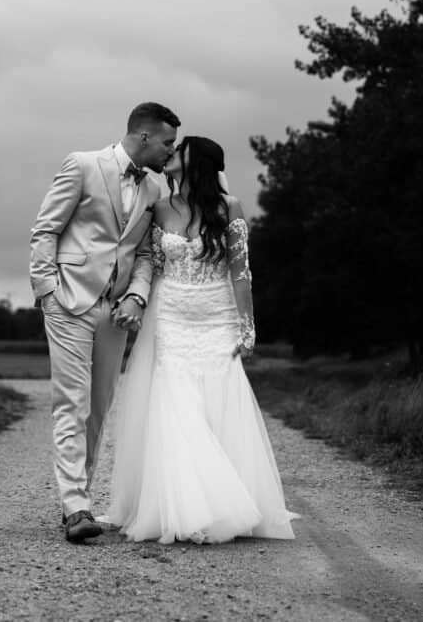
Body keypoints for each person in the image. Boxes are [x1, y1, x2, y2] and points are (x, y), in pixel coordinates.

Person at [102, 135, 298, 544]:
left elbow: (241, 273)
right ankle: (186, 506)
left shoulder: (230, 208)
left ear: (200, 164)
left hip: (217, 313)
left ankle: (228, 502)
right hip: (171, 312)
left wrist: (247, 326)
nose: (170, 155)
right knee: (175, 403)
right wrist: (133, 298)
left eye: (179, 151)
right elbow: (145, 260)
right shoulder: (158, 208)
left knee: (220, 401)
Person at [29, 102, 181, 542]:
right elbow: (45, 230)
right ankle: (75, 507)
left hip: (116, 312)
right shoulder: (82, 165)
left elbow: (147, 254)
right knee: (71, 404)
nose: (170, 153)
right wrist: (47, 291)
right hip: (69, 301)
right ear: (145, 136)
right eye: (167, 143)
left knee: (98, 409)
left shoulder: (153, 190)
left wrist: (136, 294)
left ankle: (80, 501)